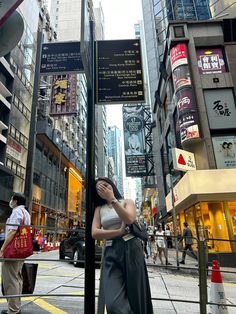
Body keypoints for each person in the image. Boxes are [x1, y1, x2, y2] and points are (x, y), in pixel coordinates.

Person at [92, 177, 153, 314]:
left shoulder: (127, 202)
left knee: (136, 297)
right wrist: (118, 232)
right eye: (99, 188)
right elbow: (95, 233)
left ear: (113, 186)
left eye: (106, 185)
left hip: (131, 248)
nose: (103, 189)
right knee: (113, 304)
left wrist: (112, 199)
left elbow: (129, 219)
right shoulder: (99, 209)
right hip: (111, 251)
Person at [0, 192, 31, 314]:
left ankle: (13, 310)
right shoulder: (26, 213)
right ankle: (15, 308)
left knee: (10, 280)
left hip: (13, 251)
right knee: (17, 278)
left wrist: (2, 248)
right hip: (21, 250)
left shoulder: (17, 212)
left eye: (12, 199)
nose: (10, 201)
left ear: (16, 201)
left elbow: (12, 231)